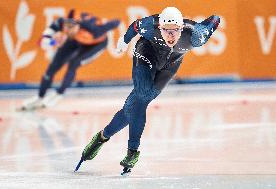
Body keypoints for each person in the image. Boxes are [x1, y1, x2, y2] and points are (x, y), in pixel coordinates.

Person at [76, 7, 220, 174]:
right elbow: (134, 27)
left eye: (175, 31)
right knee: (142, 94)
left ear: (181, 28)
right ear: (160, 28)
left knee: (136, 103)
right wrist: (124, 41)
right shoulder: (150, 25)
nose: (171, 36)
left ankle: (102, 136)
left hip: (170, 65)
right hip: (146, 52)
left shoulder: (195, 36)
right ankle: (132, 151)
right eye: (166, 31)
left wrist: (203, 26)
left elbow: (215, 19)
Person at [20, 9, 120, 110]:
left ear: (79, 26)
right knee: (53, 66)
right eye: (67, 27)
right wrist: (51, 42)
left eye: (71, 27)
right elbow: (44, 39)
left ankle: (59, 93)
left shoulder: (93, 30)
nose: (68, 30)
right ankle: (40, 96)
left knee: (74, 64)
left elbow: (116, 22)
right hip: (75, 40)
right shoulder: (61, 23)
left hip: (95, 44)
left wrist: (109, 25)